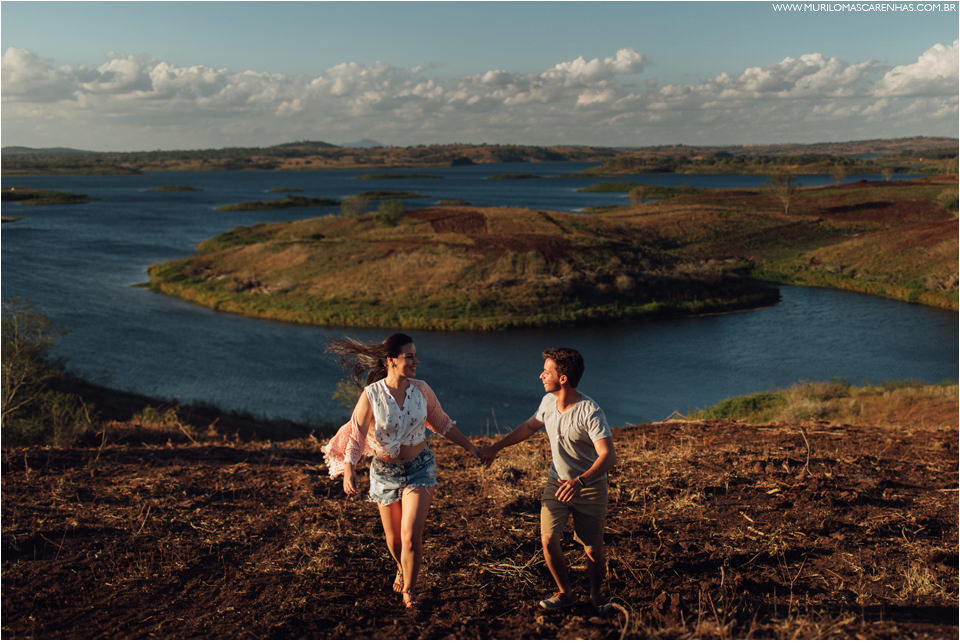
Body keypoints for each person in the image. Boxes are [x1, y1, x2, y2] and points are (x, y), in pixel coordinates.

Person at [321, 333, 480, 609]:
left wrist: (472, 448)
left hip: (420, 469)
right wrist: (349, 469)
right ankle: (400, 566)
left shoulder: (422, 390)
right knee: (394, 541)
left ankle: (410, 589)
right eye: (410, 357)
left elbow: (442, 423)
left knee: (409, 536)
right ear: (391, 361)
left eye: (416, 356)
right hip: (384, 473)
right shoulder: (371, 395)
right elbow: (357, 437)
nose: (416, 361)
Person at [479, 347, 617, 611]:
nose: (541, 375)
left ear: (563, 378)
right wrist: (496, 448)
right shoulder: (548, 403)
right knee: (548, 539)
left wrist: (581, 482)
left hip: (589, 488)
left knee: (591, 549)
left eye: (547, 371)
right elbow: (529, 426)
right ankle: (566, 594)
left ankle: (597, 597)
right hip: (557, 483)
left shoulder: (590, 412)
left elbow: (608, 456)